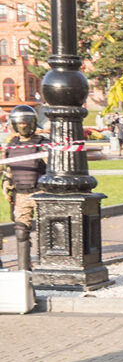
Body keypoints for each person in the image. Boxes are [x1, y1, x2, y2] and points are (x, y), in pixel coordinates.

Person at [1, 106, 48, 271]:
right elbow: (8, 167)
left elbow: (52, 166)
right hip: (20, 194)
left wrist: (47, 156)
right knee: (21, 232)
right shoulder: (12, 145)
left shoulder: (42, 143)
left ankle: (47, 266)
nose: (23, 126)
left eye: (26, 123)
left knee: (47, 232)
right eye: (20, 123)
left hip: (41, 193)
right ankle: (24, 269)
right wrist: (6, 182)